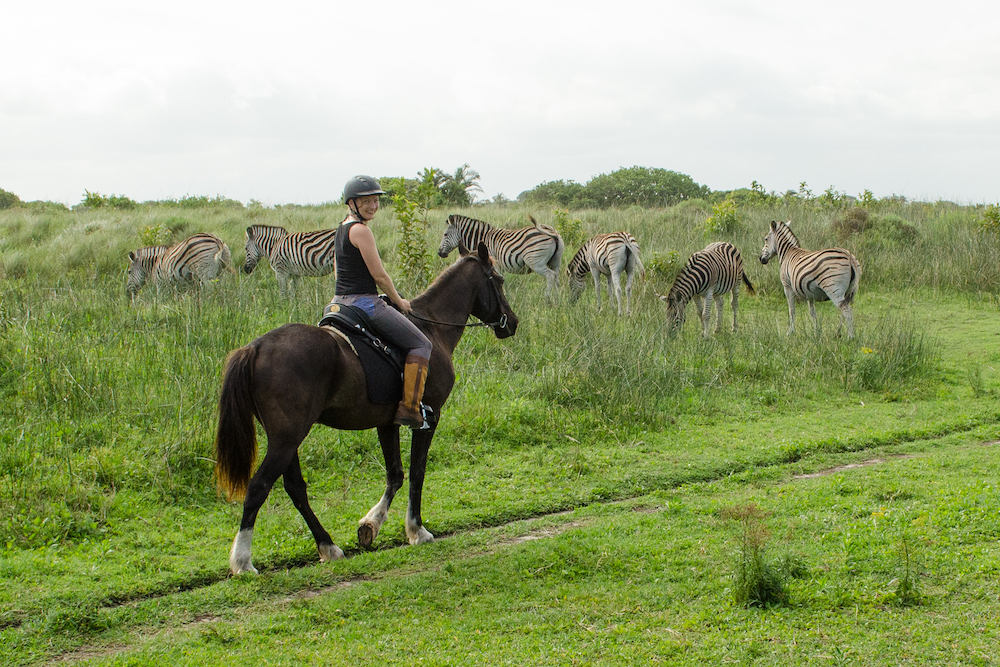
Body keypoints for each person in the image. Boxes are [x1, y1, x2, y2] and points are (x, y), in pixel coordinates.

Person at [327, 175, 433, 429]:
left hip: (337, 304)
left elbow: (337, 271)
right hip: (365, 305)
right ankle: (410, 409)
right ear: (352, 203)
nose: (373, 206)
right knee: (421, 344)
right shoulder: (361, 230)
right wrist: (399, 301)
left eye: (375, 201)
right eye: (366, 201)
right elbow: (379, 275)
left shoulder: (341, 229)